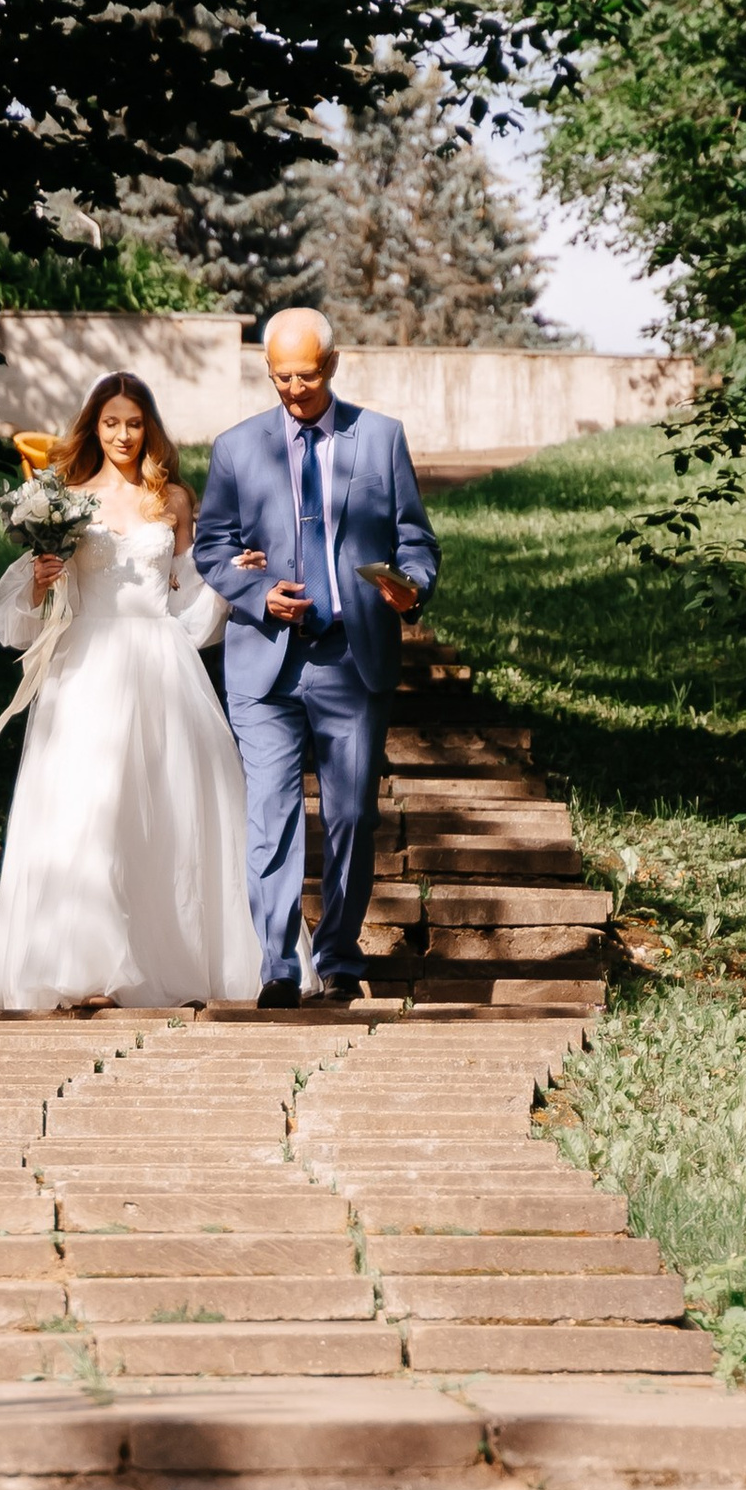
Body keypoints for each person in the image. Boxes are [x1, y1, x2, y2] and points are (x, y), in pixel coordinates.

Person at [0, 371, 263, 1015]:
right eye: (110, 422)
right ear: (93, 427)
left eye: (133, 422)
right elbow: (24, 600)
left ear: (148, 426)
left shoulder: (174, 500)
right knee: (88, 808)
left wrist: (230, 576)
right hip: (87, 667)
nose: (123, 434)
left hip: (160, 663)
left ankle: (167, 957)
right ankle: (85, 966)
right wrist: (45, 580)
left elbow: (189, 586)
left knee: (165, 809)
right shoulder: (65, 497)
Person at [192, 308, 439, 1006]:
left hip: (350, 660)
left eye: (305, 375)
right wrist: (258, 591)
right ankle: (277, 966)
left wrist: (410, 586)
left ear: (329, 366)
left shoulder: (381, 438)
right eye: (280, 376)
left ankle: (338, 954)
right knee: (270, 815)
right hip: (264, 663)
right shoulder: (237, 449)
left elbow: (415, 539)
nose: (293, 389)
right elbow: (211, 544)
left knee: (353, 815)